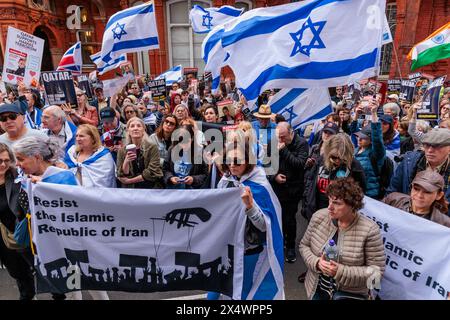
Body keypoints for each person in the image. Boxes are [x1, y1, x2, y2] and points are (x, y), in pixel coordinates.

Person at [13, 136, 109, 300]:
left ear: (37, 157)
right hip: (51, 246)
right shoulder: (27, 178)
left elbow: (74, 211)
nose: (17, 164)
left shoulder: (63, 177)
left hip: (73, 244)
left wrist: (44, 186)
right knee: (71, 290)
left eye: (21, 159)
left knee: (92, 286)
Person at [208, 141, 284, 300]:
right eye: (228, 161)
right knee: (216, 285)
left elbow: (265, 226)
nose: (232, 165)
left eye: (237, 161)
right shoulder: (227, 180)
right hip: (226, 246)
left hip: (248, 248)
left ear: (248, 161)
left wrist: (250, 206)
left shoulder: (259, 184)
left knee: (243, 291)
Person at [299, 178, 385, 300]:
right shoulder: (319, 216)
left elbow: (376, 273)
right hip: (315, 290)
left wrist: (340, 271)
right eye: (329, 199)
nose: (329, 207)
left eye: (337, 203)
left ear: (353, 204)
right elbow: (304, 246)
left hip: (348, 295)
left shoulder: (370, 230)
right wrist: (317, 263)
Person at [301, 133, 366, 221]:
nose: (337, 161)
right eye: (334, 157)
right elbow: (310, 180)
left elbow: (360, 192)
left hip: (339, 215)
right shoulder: (321, 160)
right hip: (316, 210)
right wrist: (307, 205)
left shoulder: (354, 166)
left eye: (342, 158)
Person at [0, 143, 35, 300]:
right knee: (16, 273)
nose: (3, 164)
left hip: (17, 235)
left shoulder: (17, 177)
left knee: (24, 274)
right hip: (1, 238)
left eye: (6, 160)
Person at [387, 128, 450, 216]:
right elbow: (392, 191)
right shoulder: (409, 162)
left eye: (437, 146)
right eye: (426, 145)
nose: (430, 150)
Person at [270, 122, 308, 263]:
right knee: (277, 218)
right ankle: (280, 242)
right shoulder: (275, 142)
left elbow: (299, 164)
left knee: (289, 219)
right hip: (277, 188)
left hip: (293, 189)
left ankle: (290, 246)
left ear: (291, 133)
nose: (280, 140)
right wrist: (274, 177)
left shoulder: (301, 143)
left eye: (283, 137)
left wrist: (284, 150)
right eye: (278, 137)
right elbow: (268, 164)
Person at [383, 170, 450, 227]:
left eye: (427, 192)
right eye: (416, 189)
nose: (419, 195)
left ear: (439, 195)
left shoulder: (444, 224)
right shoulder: (394, 200)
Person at [116, 117, 163, 189]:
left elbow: (152, 172)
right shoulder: (122, 151)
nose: (135, 128)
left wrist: (130, 181)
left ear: (143, 130)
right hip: (130, 190)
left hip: (150, 188)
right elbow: (122, 175)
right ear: (128, 130)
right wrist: (126, 162)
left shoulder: (152, 147)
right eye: (132, 126)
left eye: (138, 126)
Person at [354, 102, 387, 199]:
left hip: (369, 195)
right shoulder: (355, 150)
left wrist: (373, 113)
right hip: (354, 194)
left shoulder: (376, 153)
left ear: (371, 140)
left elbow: (377, 138)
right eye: (358, 137)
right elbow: (352, 130)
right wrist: (356, 114)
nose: (359, 139)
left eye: (363, 138)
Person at [163, 124, 207, 189]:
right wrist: (170, 178)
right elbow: (165, 169)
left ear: (192, 139)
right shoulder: (172, 149)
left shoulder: (199, 152)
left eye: (186, 142)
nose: (183, 146)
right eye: (181, 142)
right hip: (173, 190)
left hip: (192, 191)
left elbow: (205, 174)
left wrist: (193, 179)